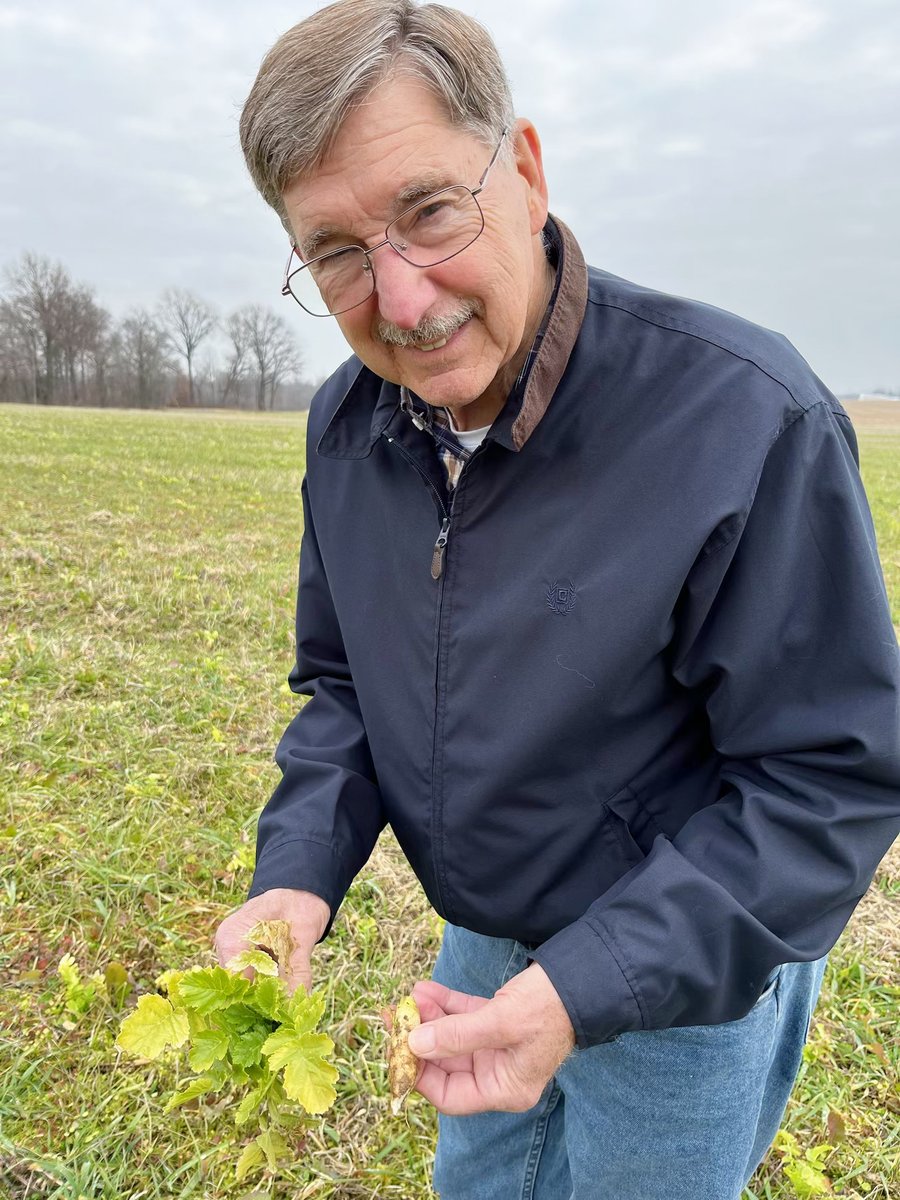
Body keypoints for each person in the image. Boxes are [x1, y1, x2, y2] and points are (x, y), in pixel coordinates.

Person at [214, 2, 900, 1196]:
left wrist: (587, 988)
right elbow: (343, 688)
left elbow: (825, 781)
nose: (403, 297)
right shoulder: (347, 427)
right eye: (334, 251)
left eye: (427, 212)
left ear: (522, 169)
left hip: (676, 976)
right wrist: (298, 872)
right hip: (483, 953)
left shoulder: (744, 420)